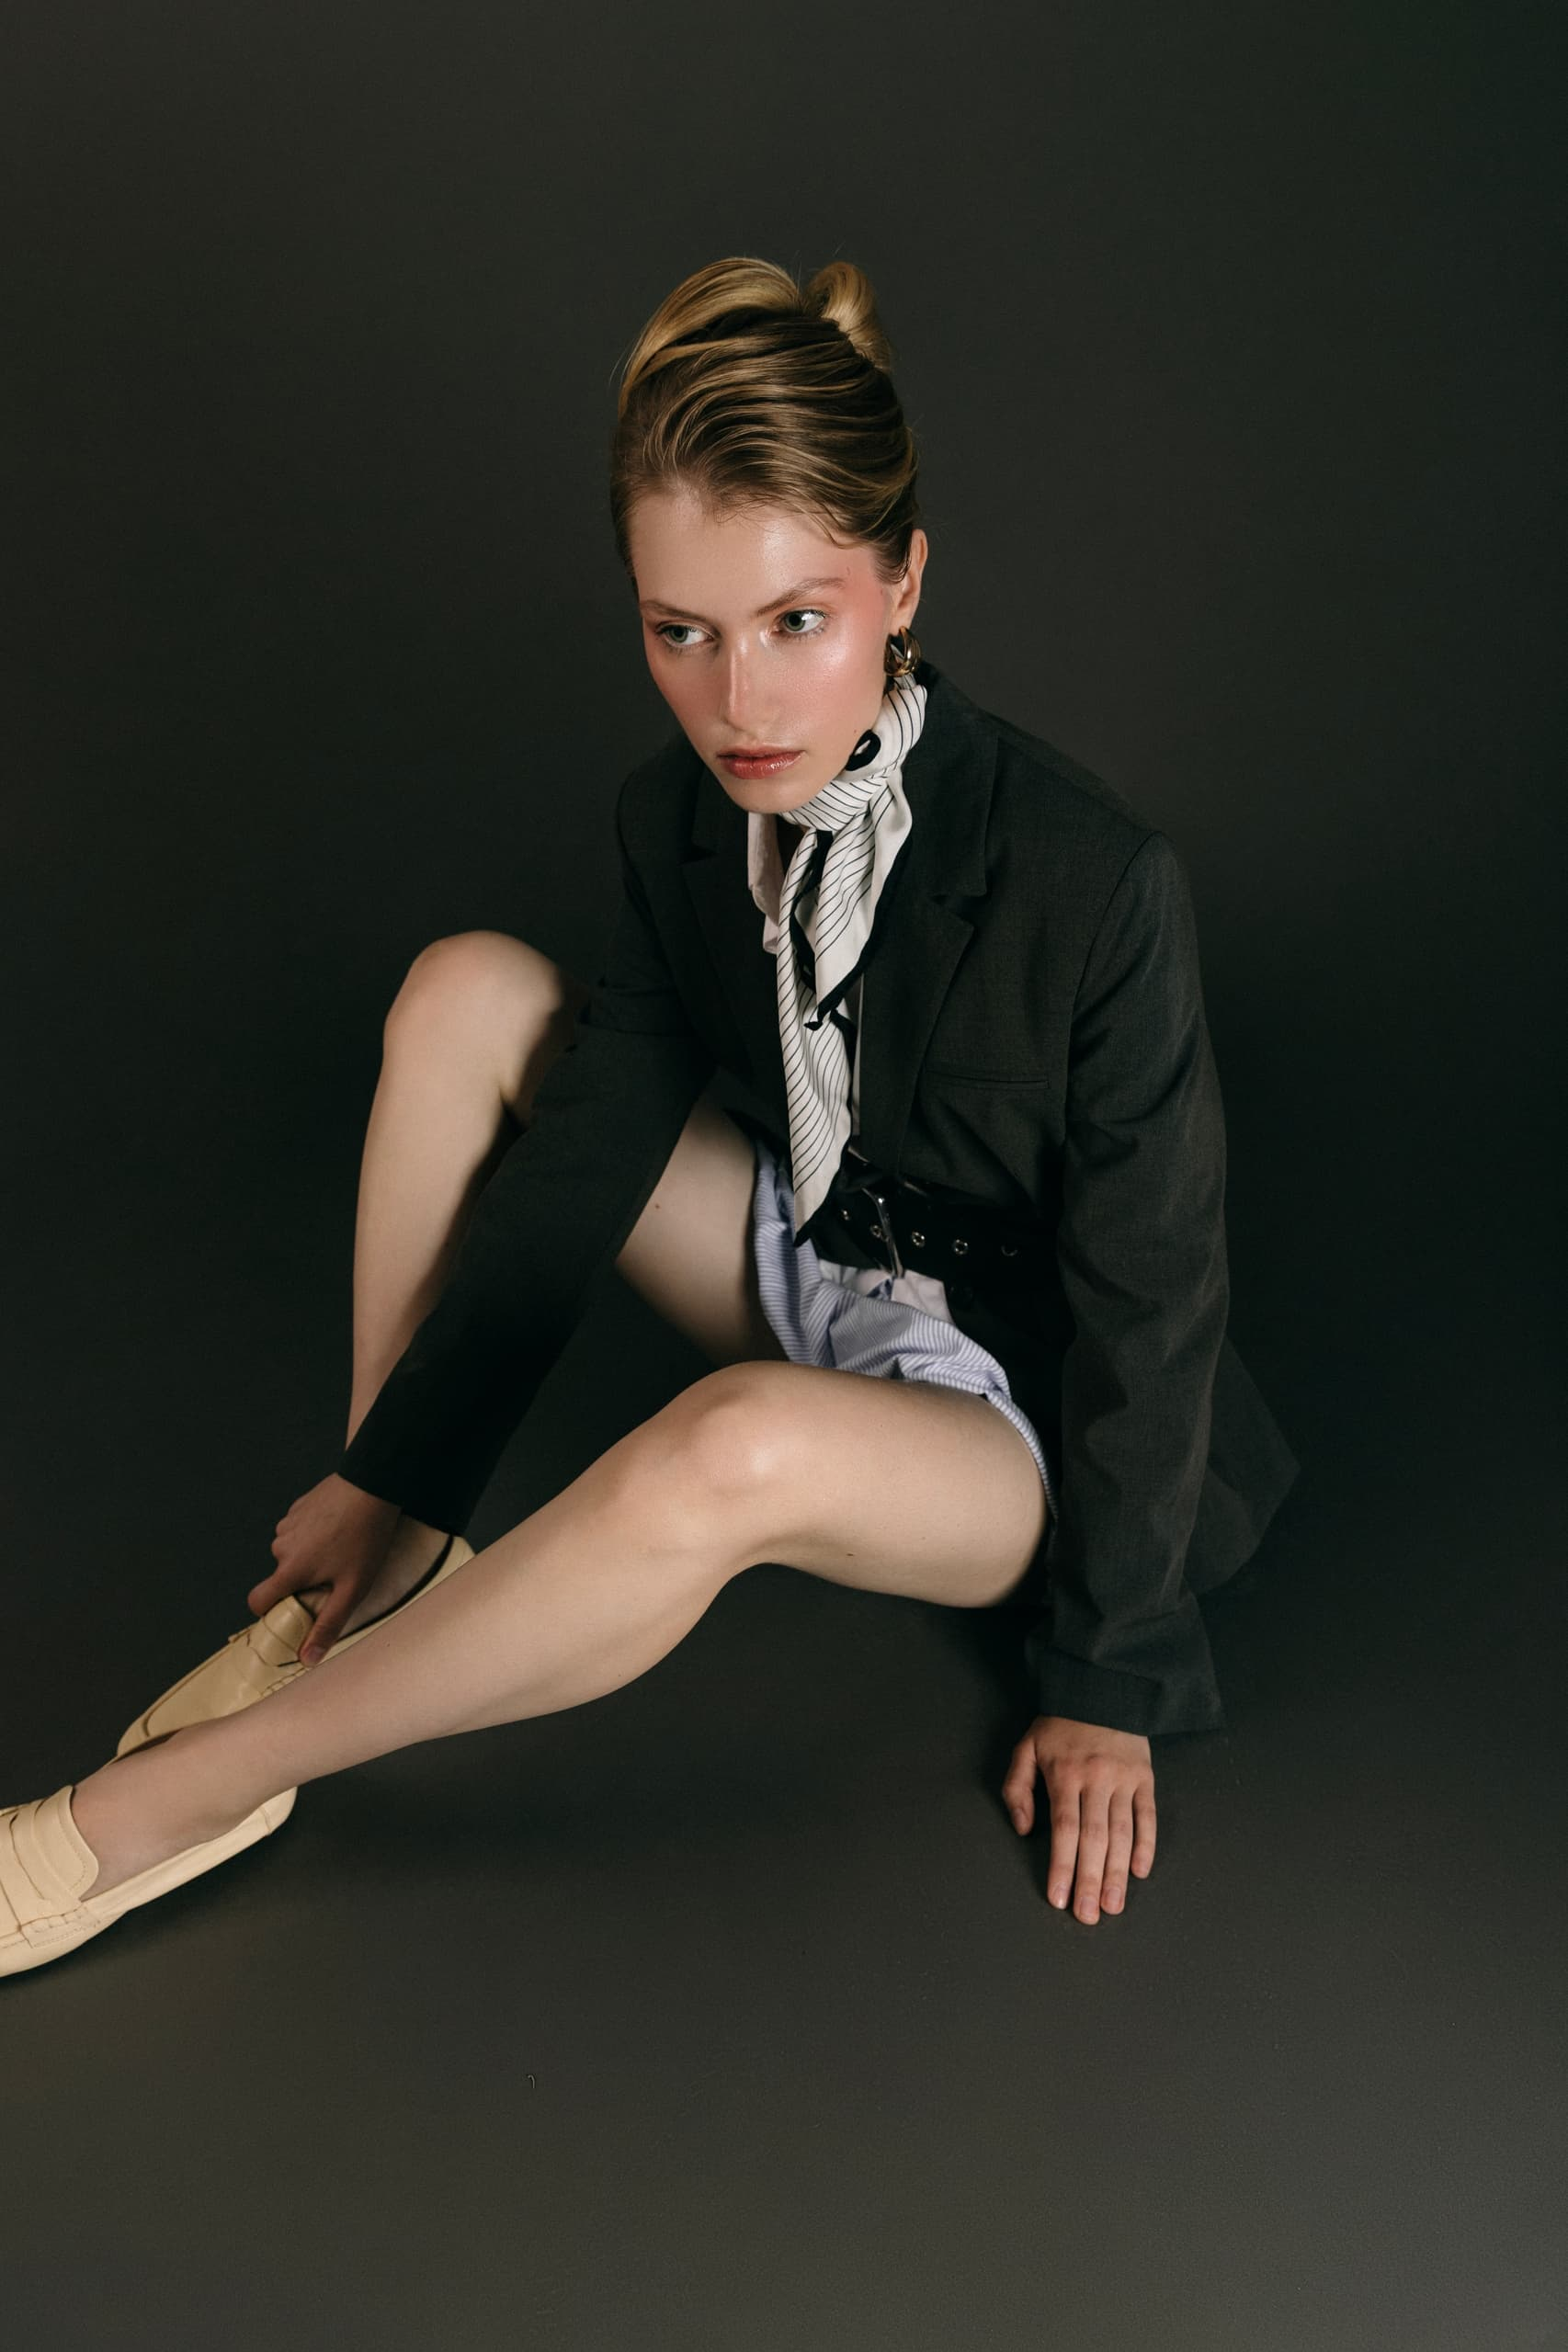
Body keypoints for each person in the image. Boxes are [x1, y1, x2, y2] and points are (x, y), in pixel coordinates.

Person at [1, 256, 1299, 1977]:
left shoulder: (1091, 876)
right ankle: (387, 1564)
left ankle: (171, 1800)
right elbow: (590, 1155)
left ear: (903, 582)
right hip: (814, 1261)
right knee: (465, 991)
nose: (737, 703)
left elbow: (1155, 1299)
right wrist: (399, 1464)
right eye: (679, 632)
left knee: (729, 1441)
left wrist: (1106, 1679)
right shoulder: (674, 821)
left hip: (1012, 1417)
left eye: (794, 622)